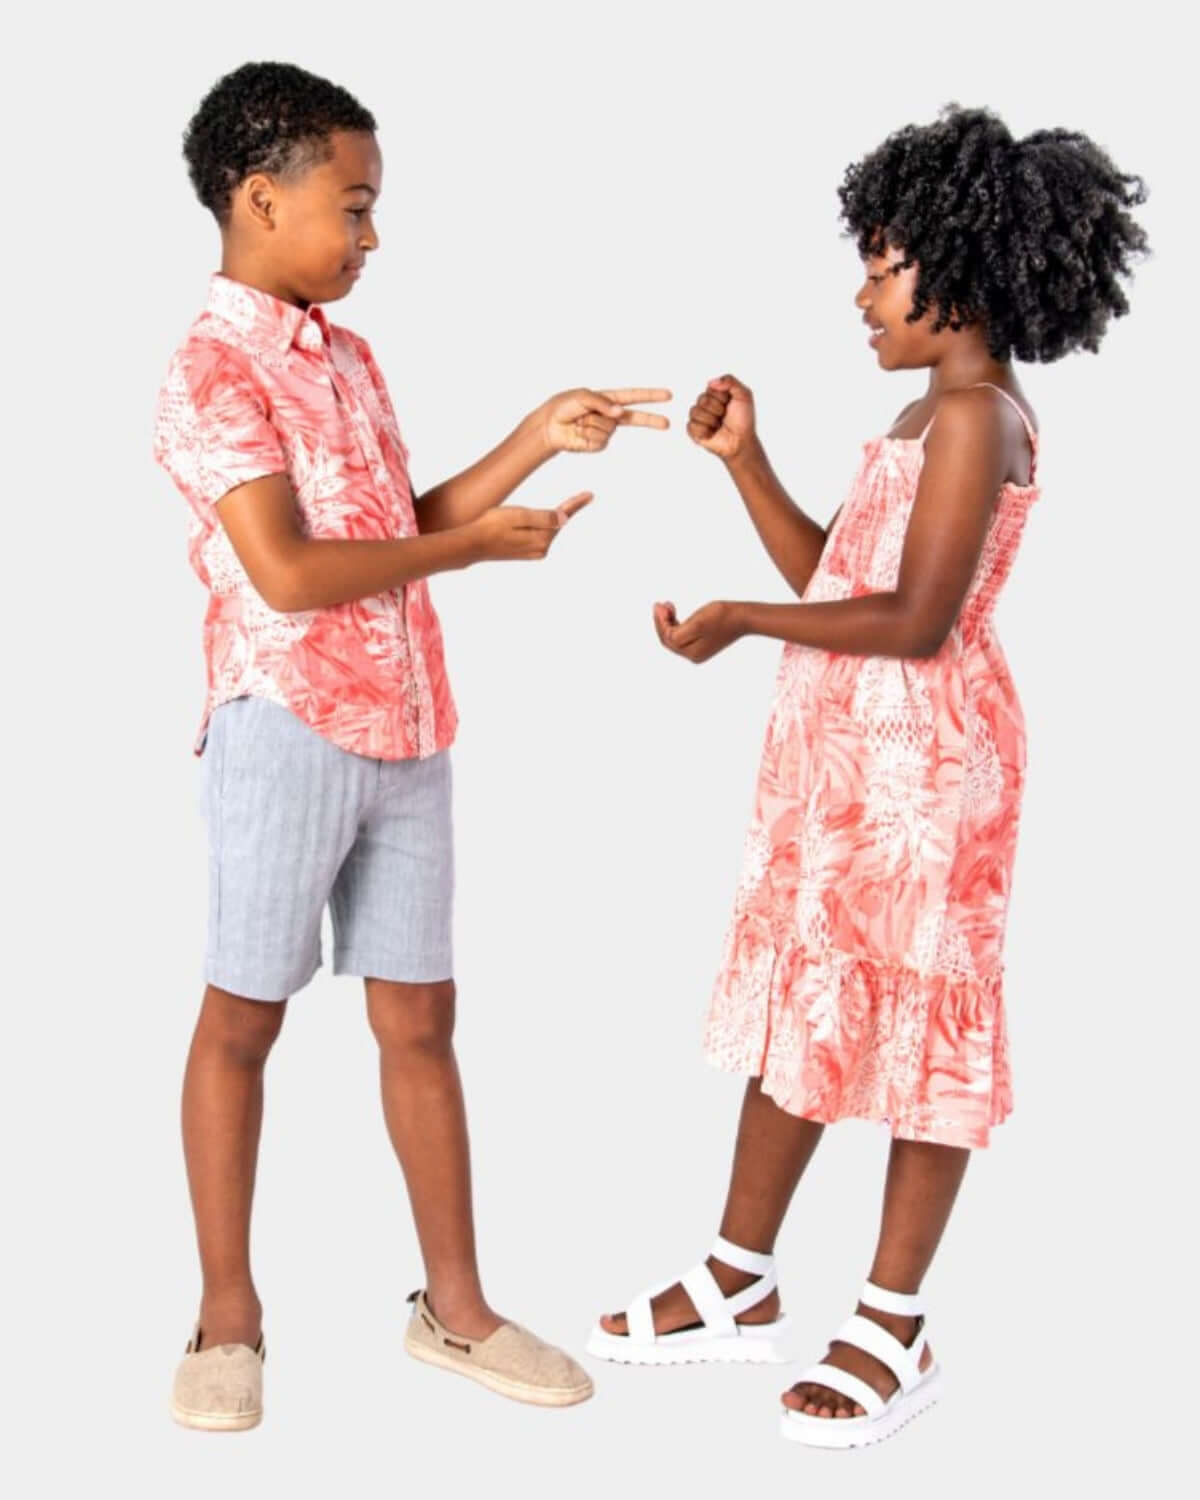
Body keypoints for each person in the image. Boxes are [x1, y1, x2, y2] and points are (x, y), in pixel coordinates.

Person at [587, 102, 1149, 1450]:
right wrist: (745, 466)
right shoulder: (923, 410)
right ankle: (741, 1274)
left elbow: (915, 622)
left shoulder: (977, 418)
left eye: (884, 259)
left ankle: (896, 1318)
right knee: (812, 1001)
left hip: (926, 772)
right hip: (849, 764)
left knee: (917, 1029)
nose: (863, 288)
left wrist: (734, 626)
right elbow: (839, 578)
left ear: (961, 262)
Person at [153, 59, 671, 1430]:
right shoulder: (212, 369)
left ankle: (456, 1309)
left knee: (421, 1020)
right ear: (262, 200)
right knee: (243, 1020)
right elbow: (288, 571)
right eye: (355, 207)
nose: (371, 237)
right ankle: (225, 1318)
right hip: (285, 727)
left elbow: (402, 517)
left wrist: (524, 443)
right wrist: (476, 552)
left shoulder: (350, 358)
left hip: (410, 727)